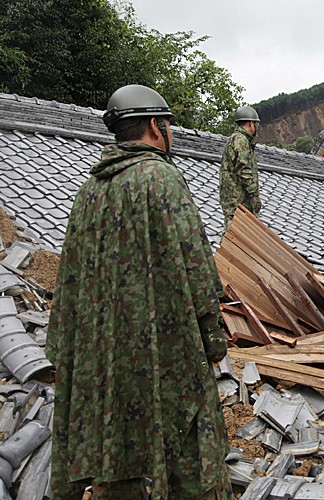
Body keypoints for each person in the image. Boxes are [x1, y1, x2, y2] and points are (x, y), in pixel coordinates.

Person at [47, 85, 231, 499]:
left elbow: (70, 278)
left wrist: (66, 347)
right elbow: (196, 263)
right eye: (168, 126)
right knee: (189, 448)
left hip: (105, 356)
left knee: (116, 452)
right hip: (165, 352)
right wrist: (212, 337)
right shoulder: (162, 179)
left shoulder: (89, 192)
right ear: (155, 126)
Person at [220, 104, 261, 229]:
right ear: (250, 123)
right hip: (238, 200)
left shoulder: (235, 139)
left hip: (234, 199)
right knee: (235, 234)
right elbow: (243, 169)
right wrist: (254, 195)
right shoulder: (241, 140)